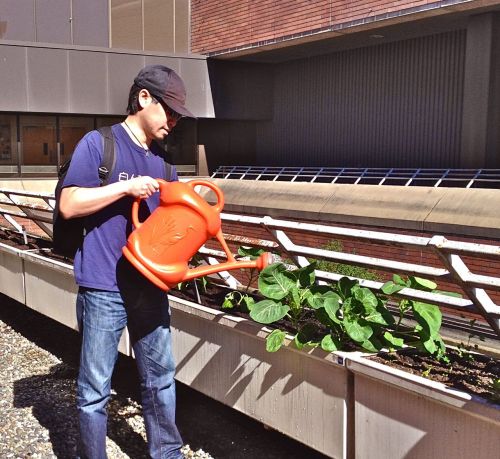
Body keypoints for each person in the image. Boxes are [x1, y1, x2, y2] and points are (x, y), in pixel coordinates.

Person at [59, 65, 194, 459]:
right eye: (169, 110)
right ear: (143, 98)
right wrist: (125, 187)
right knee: (94, 389)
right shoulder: (99, 144)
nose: (174, 120)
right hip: (103, 286)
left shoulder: (166, 164)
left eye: (179, 115)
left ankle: (166, 454)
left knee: (160, 379)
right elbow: (69, 205)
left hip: (150, 288)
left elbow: (171, 231)